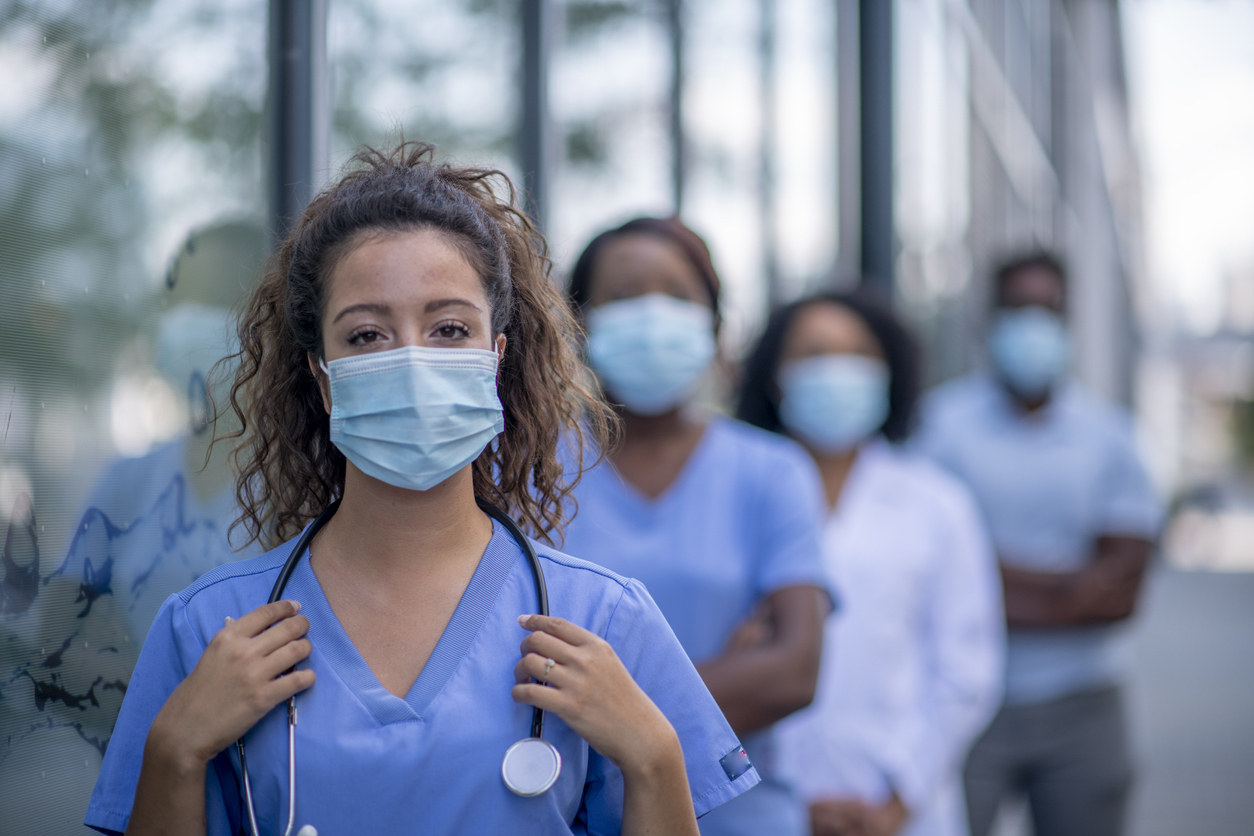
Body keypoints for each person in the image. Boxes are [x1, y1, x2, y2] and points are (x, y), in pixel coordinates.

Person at [84, 144, 760, 836]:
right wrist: (172, 754)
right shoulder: (209, 629)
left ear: (495, 358)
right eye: (368, 334)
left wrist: (653, 757)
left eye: (449, 329)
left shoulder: (604, 621)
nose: (411, 358)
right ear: (322, 376)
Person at [560, 217, 832, 836]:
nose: (652, 316)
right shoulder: (525, 472)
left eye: (678, 296)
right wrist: (722, 677)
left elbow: (795, 671)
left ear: (713, 324)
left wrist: (594, 702)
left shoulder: (772, 469)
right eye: (624, 296)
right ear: (580, 325)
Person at [736, 291, 1004, 836]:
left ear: (889, 374)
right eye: (813, 354)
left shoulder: (937, 504)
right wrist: (784, 800)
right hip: (764, 809)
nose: (837, 370)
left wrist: (898, 800)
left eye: (858, 354)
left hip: (903, 811)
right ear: (775, 377)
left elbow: (966, 671)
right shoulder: (736, 494)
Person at [913, 253, 1162, 836]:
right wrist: (1071, 580)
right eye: (1017, 309)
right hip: (963, 703)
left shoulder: (1111, 436)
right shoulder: (938, 427)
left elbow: (1120, 596)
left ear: (1067, 319)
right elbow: (926, 578)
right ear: (987, 322)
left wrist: (984, 577)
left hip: (1085, 705)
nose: (1032, 325)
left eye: (1047, 310)